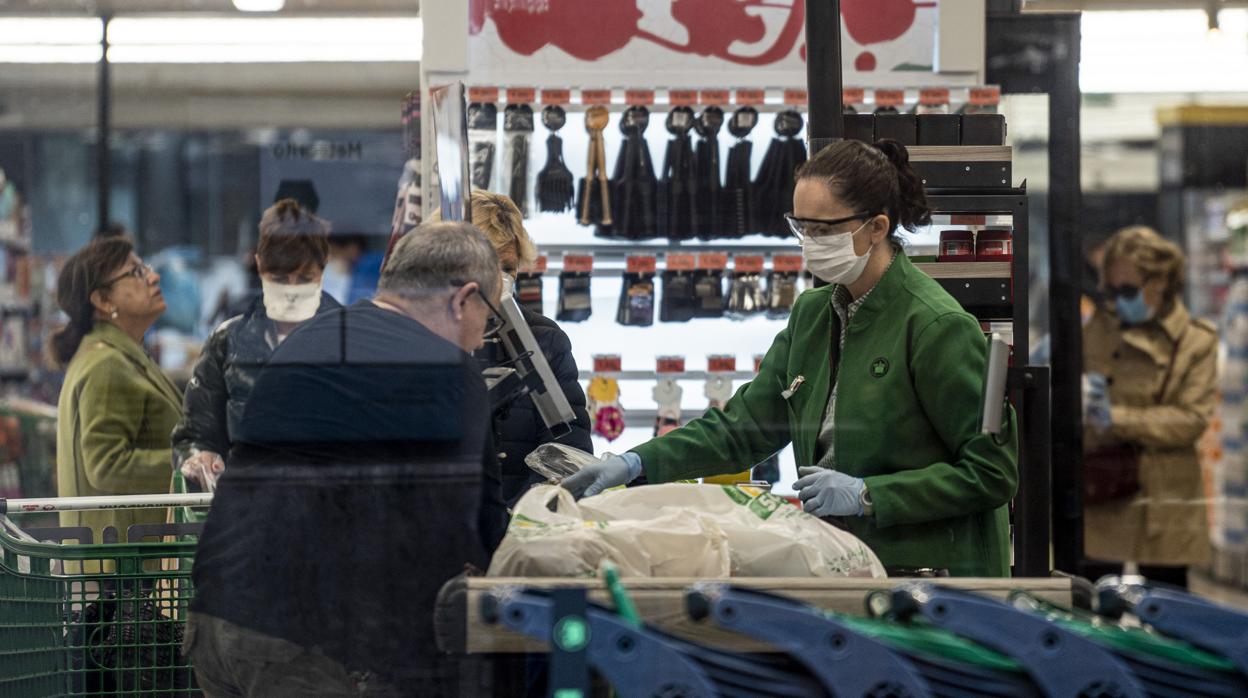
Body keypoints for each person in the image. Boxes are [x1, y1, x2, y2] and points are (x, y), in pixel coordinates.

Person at [563, 139, 1019, 577]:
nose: (809, 242)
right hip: (847, 563)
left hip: (935, 582)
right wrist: (637, 463)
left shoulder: (935, 326)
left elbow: (992, 472)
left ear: (876, 228)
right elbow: (744, 427)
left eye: (824, 230)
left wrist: (869, 495)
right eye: (801, 227)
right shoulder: (813, 314)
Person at [186, 221, 507, 695]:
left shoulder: (312, 339)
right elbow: (468, 535)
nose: (481, 339)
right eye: (489, 318)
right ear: (463, 299)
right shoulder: (447, 372)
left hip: (214, 620)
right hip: (296, 642)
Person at [1082, 225, 1217, 589]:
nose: (1117, 301)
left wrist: (1117, 418)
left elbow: (1191, 420)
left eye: (1127, 289)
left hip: (1166, 498)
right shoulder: (1098, 330)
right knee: (1089, 603)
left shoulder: (1195, 341)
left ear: (1159, 282)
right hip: (1103, 488)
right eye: (1110, 290)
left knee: (1168, 609)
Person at [171, 199, 340, 488]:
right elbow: (194, 435)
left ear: (322, 270)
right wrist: (199, 457)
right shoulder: (226, 341)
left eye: (304, 278)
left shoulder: (352, 340)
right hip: (246, 512)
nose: (291, 289)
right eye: (279, 278)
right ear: (260, 266)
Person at [53, 236, 182, 548]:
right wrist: (187, 464)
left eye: (146, 268)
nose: (154, 276)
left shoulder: (120, 354)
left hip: (128, 564)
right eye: (136, 273)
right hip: (123, 574)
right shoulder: (107, 364)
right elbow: (106, 466)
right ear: (102, 300)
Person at [468, 190, 593, 505]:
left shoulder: (543, 341)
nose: (499, 280)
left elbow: (568, 449)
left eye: (508, 268)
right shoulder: (420, 338)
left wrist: (528, 516)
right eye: (487, 265)